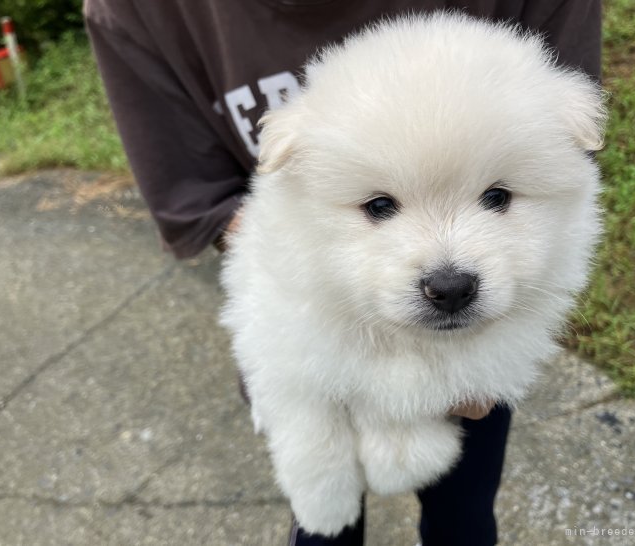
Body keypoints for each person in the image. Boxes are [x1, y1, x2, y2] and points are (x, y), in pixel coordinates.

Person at [84, 1, 601, 544]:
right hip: (318, 334)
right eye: (380, 207)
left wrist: (419, 396)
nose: (449, 272)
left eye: (496, 198)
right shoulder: (138, 12)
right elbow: (212, 214)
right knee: (323, 517)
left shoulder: (529, 92)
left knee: (464, 514)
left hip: (481, 346)